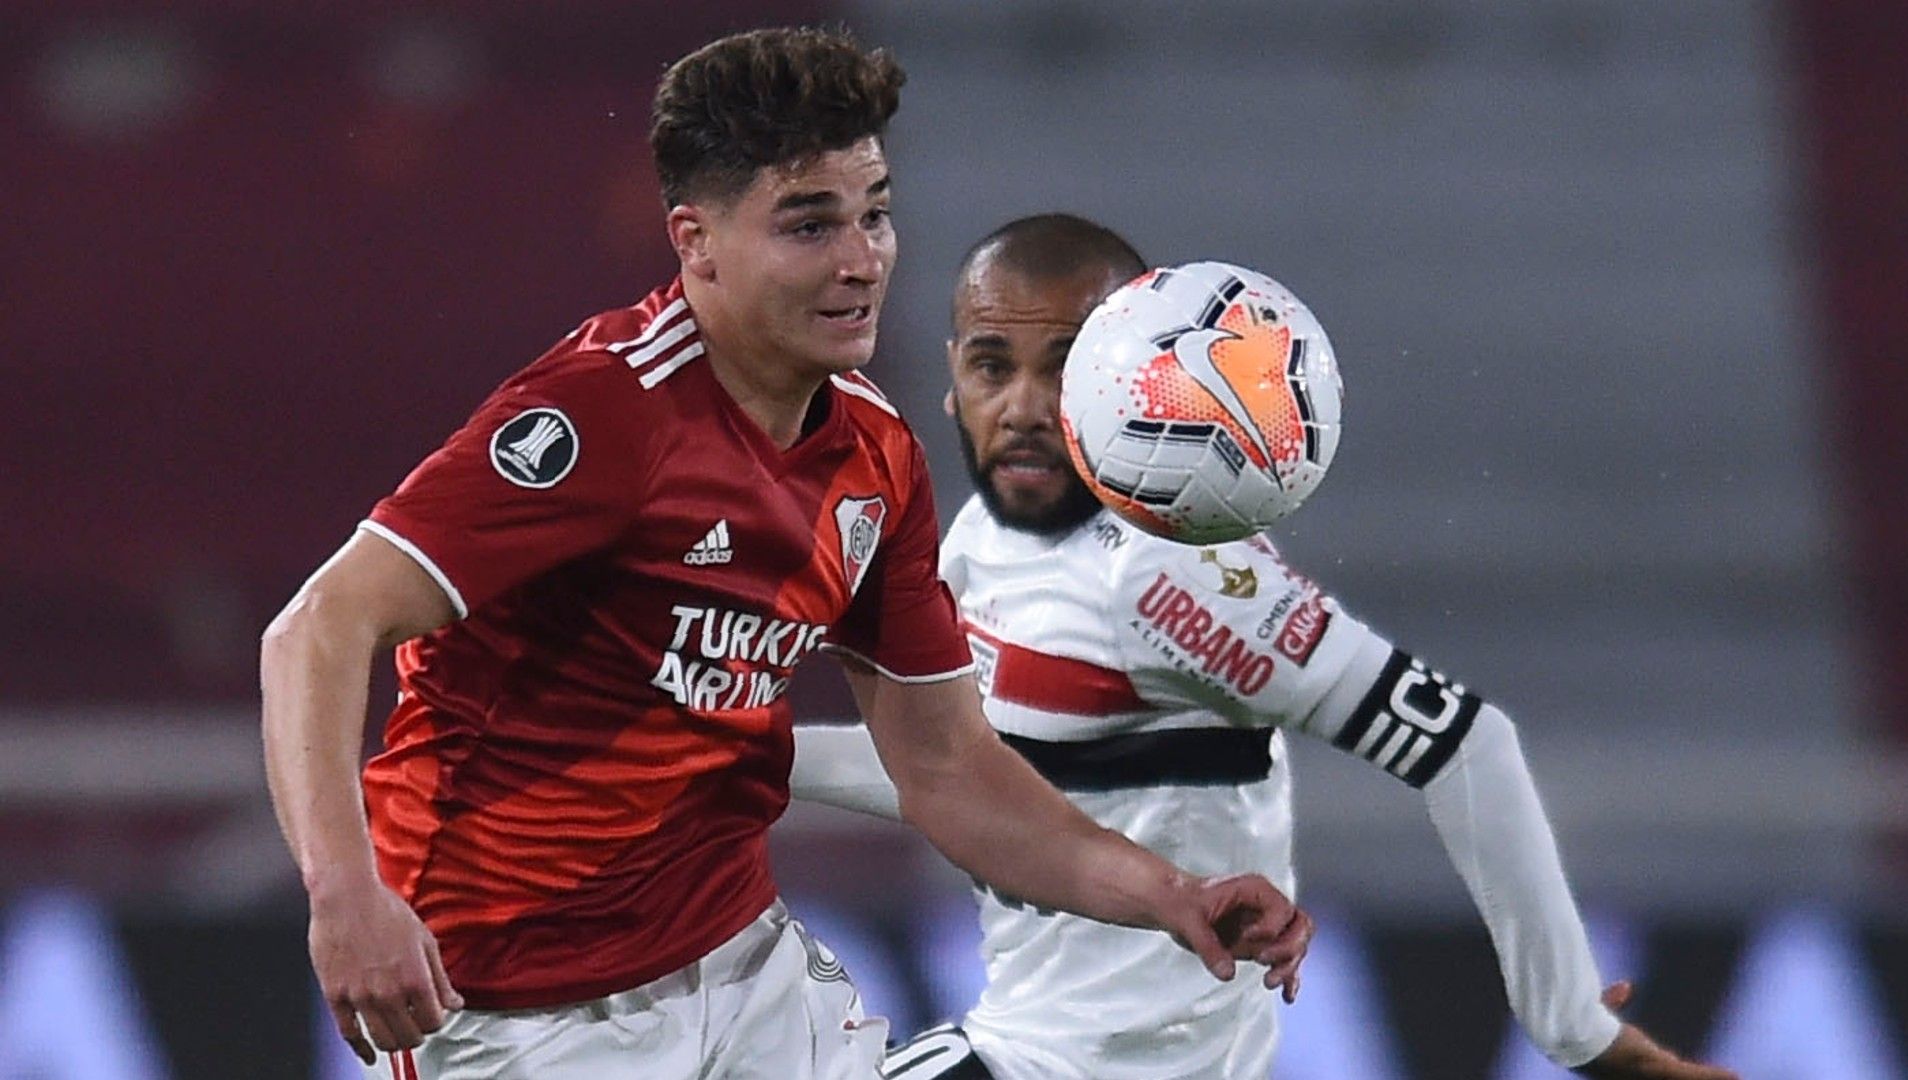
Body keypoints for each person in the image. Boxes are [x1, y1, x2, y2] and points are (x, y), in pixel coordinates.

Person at [259, 31, 1313, 1080]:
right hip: (516, 1009)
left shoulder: (877, 455)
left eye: (876, 214)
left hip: (741, 966)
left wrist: (1171, 897)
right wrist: (343, 893)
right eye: (810, 225)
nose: (862, 260)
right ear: (696, 240)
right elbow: (315, 628)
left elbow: (948, 768)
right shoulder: (604, 417)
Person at [789, 214, 1740, 1080]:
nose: (1027, 405)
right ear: (953, 378)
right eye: (995, 366)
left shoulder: (1172, 576)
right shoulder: (978, 546)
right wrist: (730, 743)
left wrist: (1575, 1028)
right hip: (1028, 1044)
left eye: (1070, 367)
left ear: (1132, 375)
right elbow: (961, 774)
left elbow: (1464, 746)